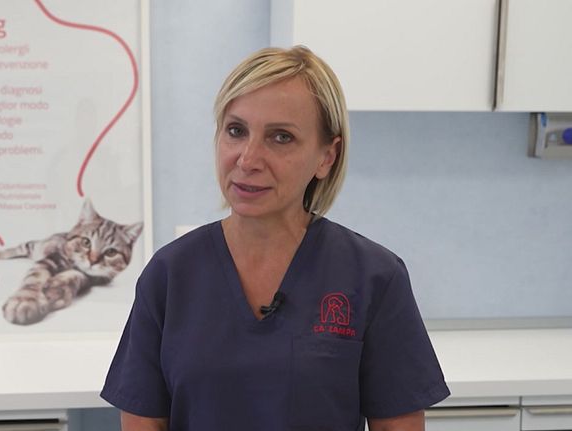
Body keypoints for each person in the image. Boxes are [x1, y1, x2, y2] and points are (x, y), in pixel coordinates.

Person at [101, 46, 450, 431]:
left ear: (327, 157)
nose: (248, 159)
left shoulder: (374, 277)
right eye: (236, 131)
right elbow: (144, 420)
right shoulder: (169, 275)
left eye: (281, 137)